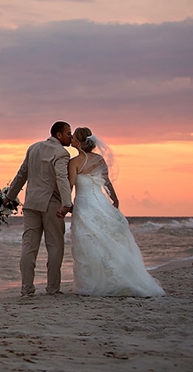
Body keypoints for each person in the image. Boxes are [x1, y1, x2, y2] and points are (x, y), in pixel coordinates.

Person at [68, 127, 164, 297]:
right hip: (100, 203)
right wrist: (115, 199)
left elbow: (68, 186)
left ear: (80, 142)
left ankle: (92, 282)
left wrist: (64, 204)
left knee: (87, 241)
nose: (72, 140)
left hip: (84, 204)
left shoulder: (74, 162)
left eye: (74, 137)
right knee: (104, 238)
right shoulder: (99, 160)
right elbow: (107, 182)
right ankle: (109, 278)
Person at [6, 121, 73, 296]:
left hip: (31, 204)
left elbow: (22, 174)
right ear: (58, 135)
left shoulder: (33, 148)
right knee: (55, 246)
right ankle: (53, 288)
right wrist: (67, 203)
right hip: (51, 204)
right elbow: (61, 177)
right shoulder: (61, 153)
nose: (70, 137)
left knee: (28, 246)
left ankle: (26, 289)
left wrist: (9, 197)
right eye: (68, 133)